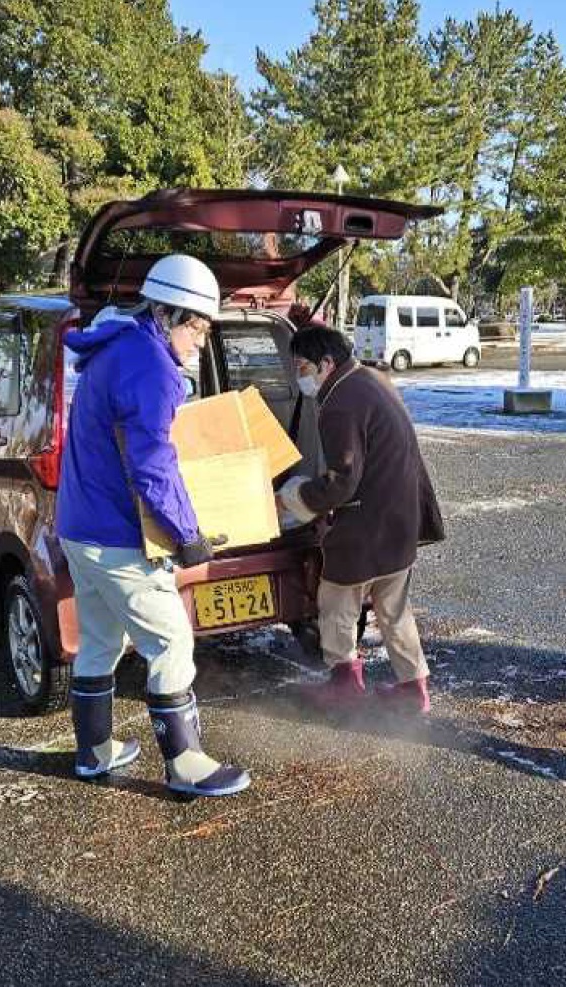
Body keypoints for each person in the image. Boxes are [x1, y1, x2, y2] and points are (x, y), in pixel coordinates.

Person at [57, 253, 250, 798]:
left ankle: (95, 753)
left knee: (99, 642)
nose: (200, 340)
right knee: (170, 640)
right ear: (167, 313)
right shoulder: (152, 366)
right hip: (117, 536)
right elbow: (153, 465)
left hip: (79, 525)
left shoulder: (118, 346)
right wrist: (187, 536)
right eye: (197, 326)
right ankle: (185, 762)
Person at [276, 324, 444, 714]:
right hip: (401, 519)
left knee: (335, 600)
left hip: (366, 526)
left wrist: (292, 499)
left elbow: (342, 480)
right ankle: (413, 687)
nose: (300, 376)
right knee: (394, 607)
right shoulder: (373, 378)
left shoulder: (341, 402)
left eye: (303, 367)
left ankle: (344, 684)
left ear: (326, 363)